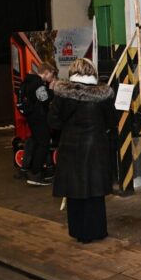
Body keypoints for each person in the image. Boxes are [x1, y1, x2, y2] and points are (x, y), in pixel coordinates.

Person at [48, 59, 115, 243]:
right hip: (96, 148)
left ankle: (78, 231)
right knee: (95, 192)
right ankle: (96, 231)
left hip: (70, 148)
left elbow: (53, 122)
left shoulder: (62, 94)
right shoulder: (103, 95)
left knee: (74, 191)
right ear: (92, 72)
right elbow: (111, 121)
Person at [20, 62, 57, 185]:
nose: (52, 77)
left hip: (31, 117)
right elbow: (45, 99)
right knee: (43, 144)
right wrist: (51, 89)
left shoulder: (28, 81)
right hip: (39, 118)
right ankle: (35, 174)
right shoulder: (38, 83)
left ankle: (35, 171)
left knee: (37, 143)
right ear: (46, 72)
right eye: (51, 74)